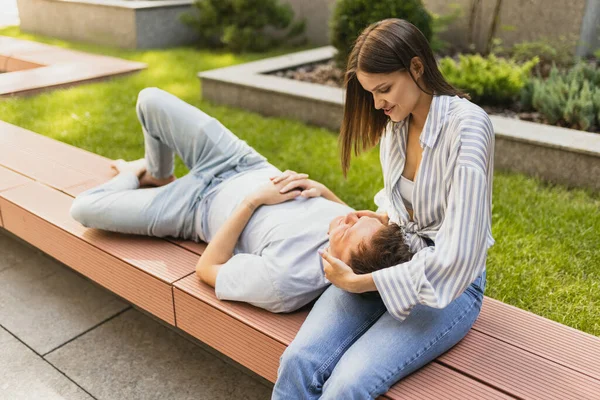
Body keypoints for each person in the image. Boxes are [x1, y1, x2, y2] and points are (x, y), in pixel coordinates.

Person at [272, 18, 495, 399]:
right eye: (371, 93)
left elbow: (459, 256)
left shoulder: (469, 127)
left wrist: (363, 282)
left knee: (349, 384)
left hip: (449, 287)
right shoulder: (396, 125)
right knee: (299, 362)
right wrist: (382, 219)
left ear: (417, 67)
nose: (377, 104)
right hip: (392, 261)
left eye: (384, 89)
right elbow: (398, 201)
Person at [69, 87, 414, 313]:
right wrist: (322, 191)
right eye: (358, 217)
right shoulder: (355, 227)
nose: (347, 218)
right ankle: (158, 173)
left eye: (345, 231)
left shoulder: (285, 282)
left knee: (83, 209)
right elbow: (348, 218)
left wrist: (251, 202)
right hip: (239, 161)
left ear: (342, 271)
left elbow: (207, 269)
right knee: (149, 99)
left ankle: (132, 174)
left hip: (194, 208)